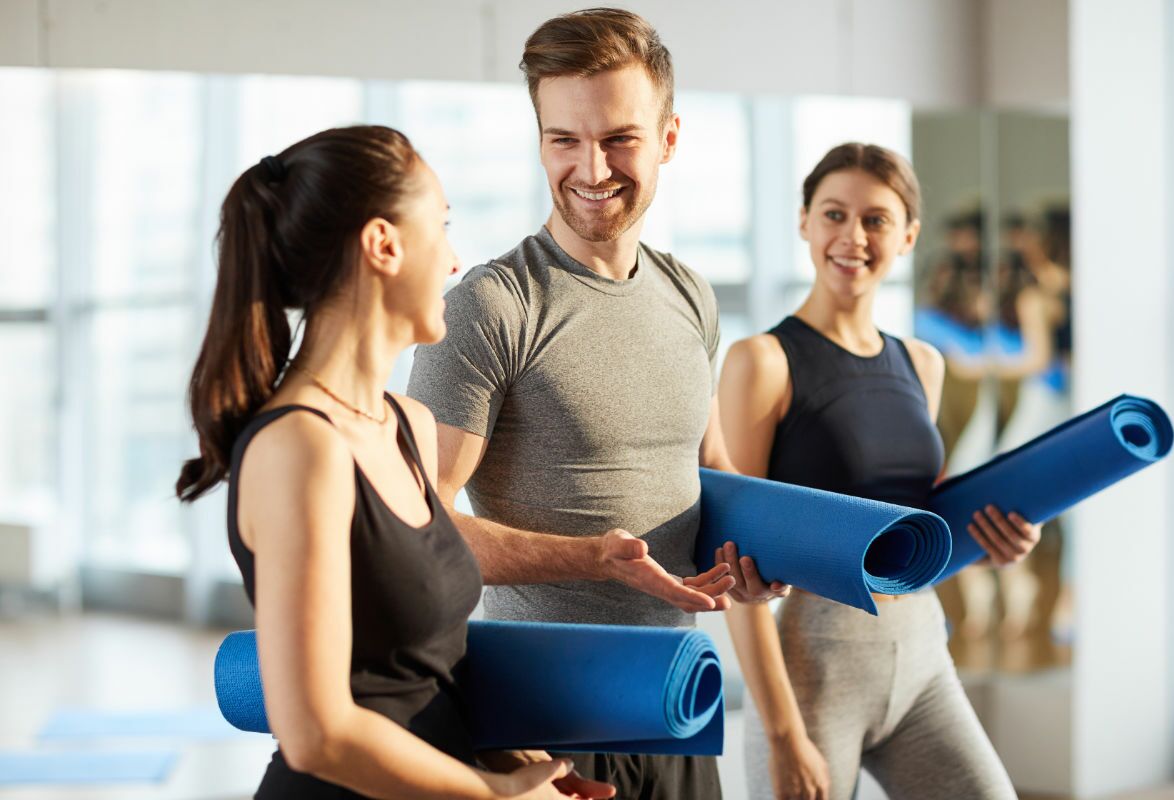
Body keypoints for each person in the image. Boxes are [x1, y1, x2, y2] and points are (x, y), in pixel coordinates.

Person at [408, 9, 785, 799]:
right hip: (544, 720)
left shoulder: (690, 295)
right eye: (564, 140)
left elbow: (707, 474)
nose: (591, 167)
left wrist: (754, 560)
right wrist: (585, 556)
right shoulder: (493, 305)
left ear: (669, 138)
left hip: (678, 699)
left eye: (619, 138)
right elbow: (418, 532)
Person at [176, 125, 614, 799]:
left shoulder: (405, 425)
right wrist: (492, 797)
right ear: (383, 244)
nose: (454, 259)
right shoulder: (299, 448)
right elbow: (317, 732)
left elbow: (421, 665)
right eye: (439, 226)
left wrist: (521, 770)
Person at [720, 143, 1042, 800]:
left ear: (908, 236)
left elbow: (917, 533)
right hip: (814, 669)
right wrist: (784, 734)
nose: (853, 237)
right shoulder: (763, 362)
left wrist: (989, 543)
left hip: (922, 653)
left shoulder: (923, 363)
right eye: (834, 214)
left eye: (875, 220)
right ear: (804, 221)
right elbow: (734, 568)